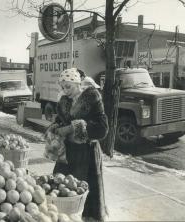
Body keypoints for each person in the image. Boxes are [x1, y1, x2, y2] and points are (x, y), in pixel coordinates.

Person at [47, 68, 109, 221]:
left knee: (86, 193)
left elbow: (102, 129)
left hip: (86, 153)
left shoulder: (92, 99)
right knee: (61, 190)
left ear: (77, 83)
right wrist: (55, 127)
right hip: (67, 154)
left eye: (68, 86)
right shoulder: (63, 102)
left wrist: (74, 127)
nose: (65, 91)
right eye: (62, 87)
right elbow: (60, 121)